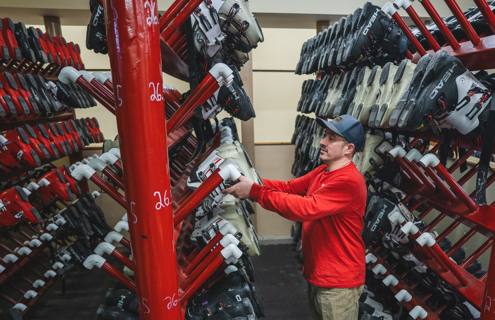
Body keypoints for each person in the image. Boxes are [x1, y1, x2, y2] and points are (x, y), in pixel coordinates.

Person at [223, 115, 367, 320]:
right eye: (325, 135)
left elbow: (304, 208)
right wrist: (250, 181)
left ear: (348, 149)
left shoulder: (348, 182)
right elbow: (288, 188)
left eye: (331, 138)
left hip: (338, 283)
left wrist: (255, 191)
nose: (322, 142)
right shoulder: (322, 171)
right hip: (320, 275)